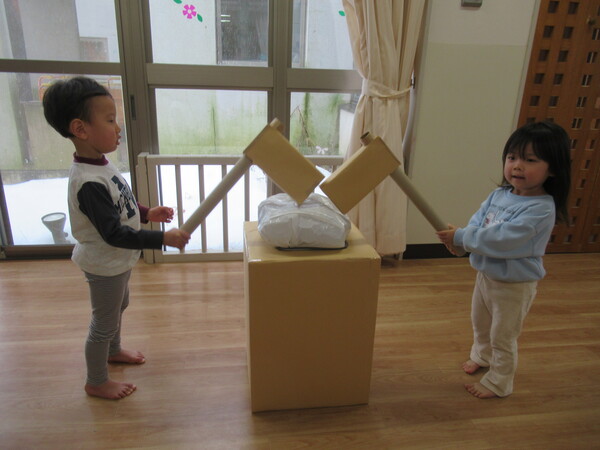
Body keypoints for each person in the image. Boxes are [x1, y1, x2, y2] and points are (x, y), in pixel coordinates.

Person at [43, 76, 191, 400]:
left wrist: (147, 212)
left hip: (116, 262)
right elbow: (113, 232)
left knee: (119, 305)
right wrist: (162, 239)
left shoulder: (100, 164)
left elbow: (121, 205)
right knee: (103, 322)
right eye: (110, 120)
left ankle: (114, 350)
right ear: (81, 129)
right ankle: (96, 381)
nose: (118, 127)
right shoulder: (88, 182)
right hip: (104, 263)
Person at [436, 121, 571, 399]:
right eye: (512, 157)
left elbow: (503, 239)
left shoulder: (541, 209)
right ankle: (482, 356)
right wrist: (460, 244)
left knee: (503, 335)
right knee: (481, 324)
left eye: (530, 160)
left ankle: (499, 381)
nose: (517, 166)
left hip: (514, 285)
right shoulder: (499, 195)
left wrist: (461, 236)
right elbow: (478, 223)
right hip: (486, 276)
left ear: (553, 169)